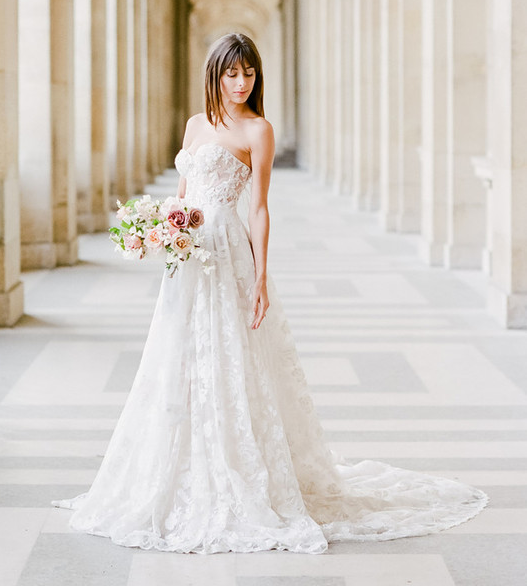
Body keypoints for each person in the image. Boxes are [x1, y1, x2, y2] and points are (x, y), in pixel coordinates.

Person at [52, 32, 487, 553]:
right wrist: (160, 227)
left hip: (228, 250)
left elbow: (257, 207)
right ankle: (174, 466)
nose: (241, 83)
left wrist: (259, 277)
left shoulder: (259, 129)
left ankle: (238, 466)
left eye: (249, 73)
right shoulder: (195, 125)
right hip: (188, 256)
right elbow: (184, 193)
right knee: (178, 355)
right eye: (232, 73)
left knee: (231, 358)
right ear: (214, 73)